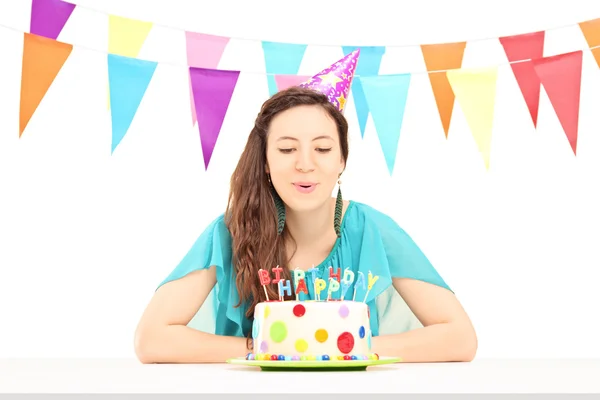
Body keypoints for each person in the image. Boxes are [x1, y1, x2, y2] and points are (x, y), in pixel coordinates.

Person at [134, 51, 477, 364]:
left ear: (342, 159)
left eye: (323, 149)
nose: (305, 164)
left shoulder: (373, 229)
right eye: (286, 150)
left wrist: (339, 345)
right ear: (266, 162)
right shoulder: (230, 231)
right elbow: (151, 339)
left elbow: (460, 337)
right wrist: (271, 348)